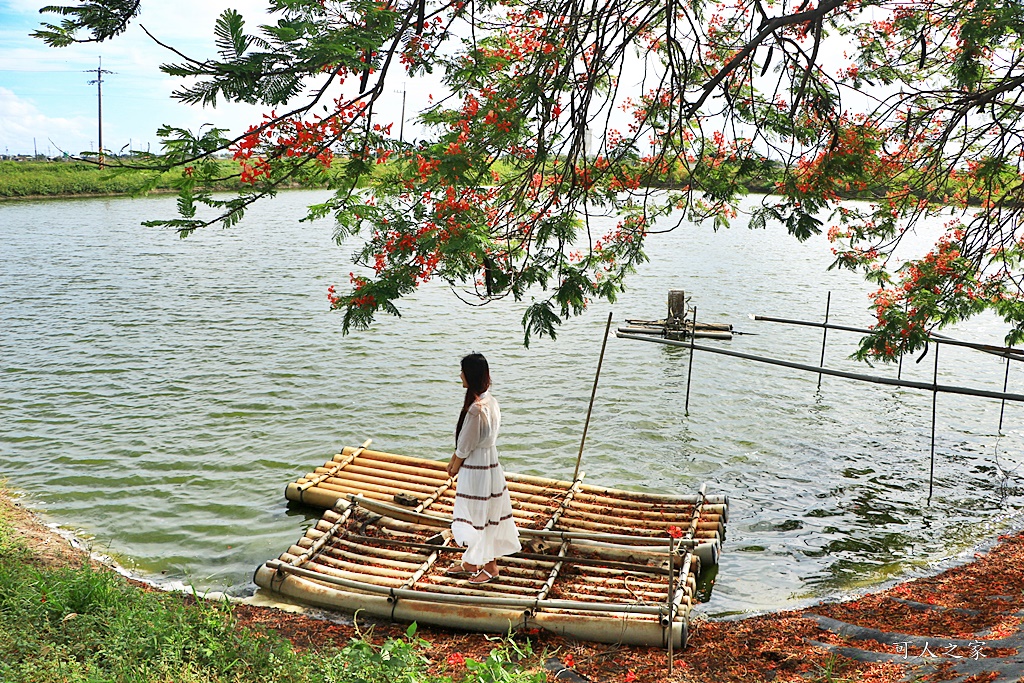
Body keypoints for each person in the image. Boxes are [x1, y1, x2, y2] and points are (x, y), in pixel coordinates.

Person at [445, 353, 521, 584]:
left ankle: (491, 566)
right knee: (486, 512)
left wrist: (453, 467)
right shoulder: (491, 401)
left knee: (478, 515)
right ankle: (471, 561)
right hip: (490, 464)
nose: (460, 375)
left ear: (471, 375)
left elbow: (465, 446)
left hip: (477, 468)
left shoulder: (476, 409)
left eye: (463, 371)